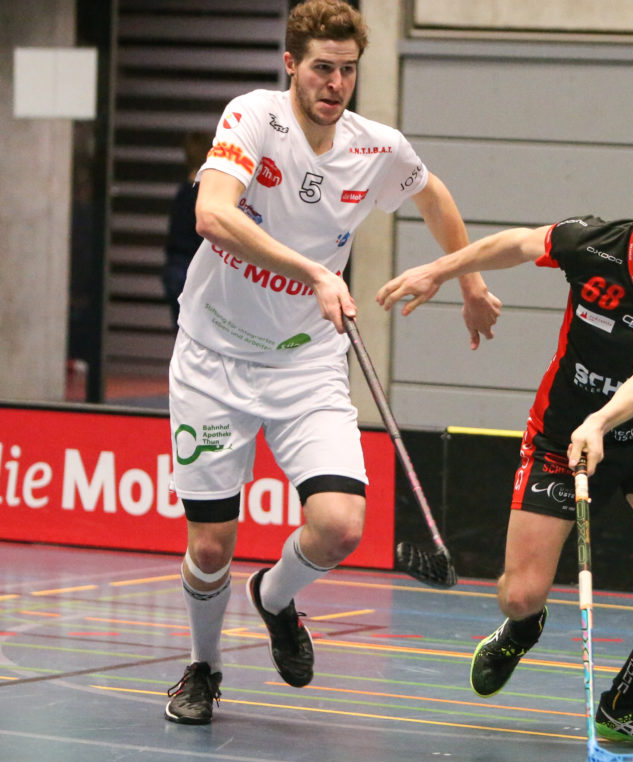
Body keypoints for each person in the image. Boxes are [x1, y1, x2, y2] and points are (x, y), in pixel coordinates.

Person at [163, 0, 501, 725]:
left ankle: (276, 597)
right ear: (291, 64)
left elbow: (432, 194)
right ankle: (203, 666)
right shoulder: (254, 119)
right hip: (212, 358)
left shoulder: (375, 147)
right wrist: (316, 273)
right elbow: (212, 214)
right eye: (322, 67)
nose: (336, 83)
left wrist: (467, 279)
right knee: (211, 543)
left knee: (341, 524)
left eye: (348, 70)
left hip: (305, 364)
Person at [377, 152, 633, 751]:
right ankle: (521, 630)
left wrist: (602, 420)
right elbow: (518, 244)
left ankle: (624, 703)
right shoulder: (591, 244)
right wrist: (441, 272)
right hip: (557, 440)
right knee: (521, 593)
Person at [160, 131, 210, 330]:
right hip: (192, 271)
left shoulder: (182, 192)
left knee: (182, 336)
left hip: (175, 268)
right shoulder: (206, 196)